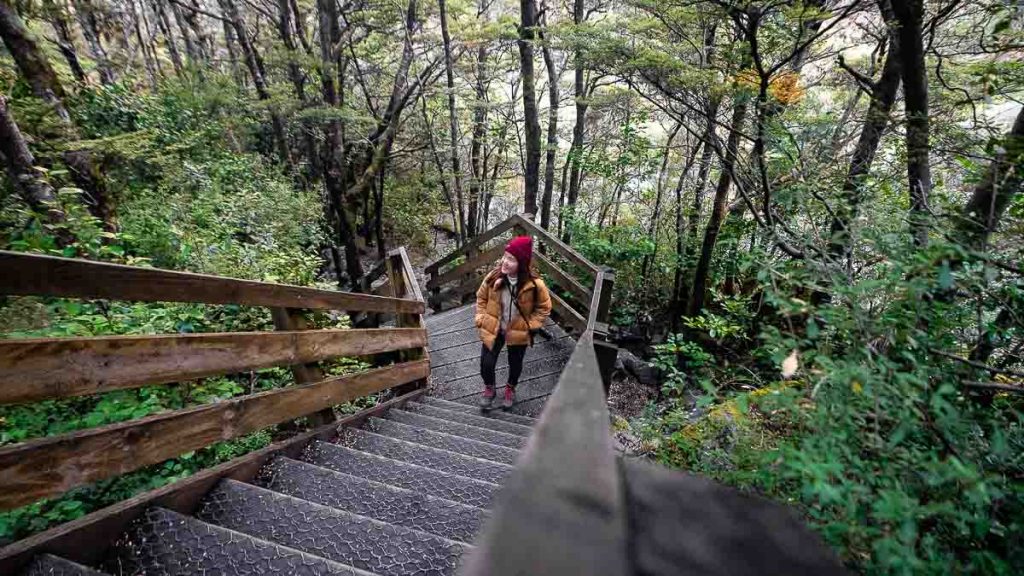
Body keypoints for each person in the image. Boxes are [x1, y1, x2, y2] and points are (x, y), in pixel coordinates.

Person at [474, 235, 552, 410]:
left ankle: (510, 388)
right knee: (486, 363)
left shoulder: (535, 284)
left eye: (511, 259)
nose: (505, 262)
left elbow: (544, 307)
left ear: (522, 264)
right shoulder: (493, 276)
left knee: (515, 363)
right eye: (505, 256)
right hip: (493, 326)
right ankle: (490, 388)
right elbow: (481, 298)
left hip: (518, 330)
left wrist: (531, 325)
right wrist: (480, 318)